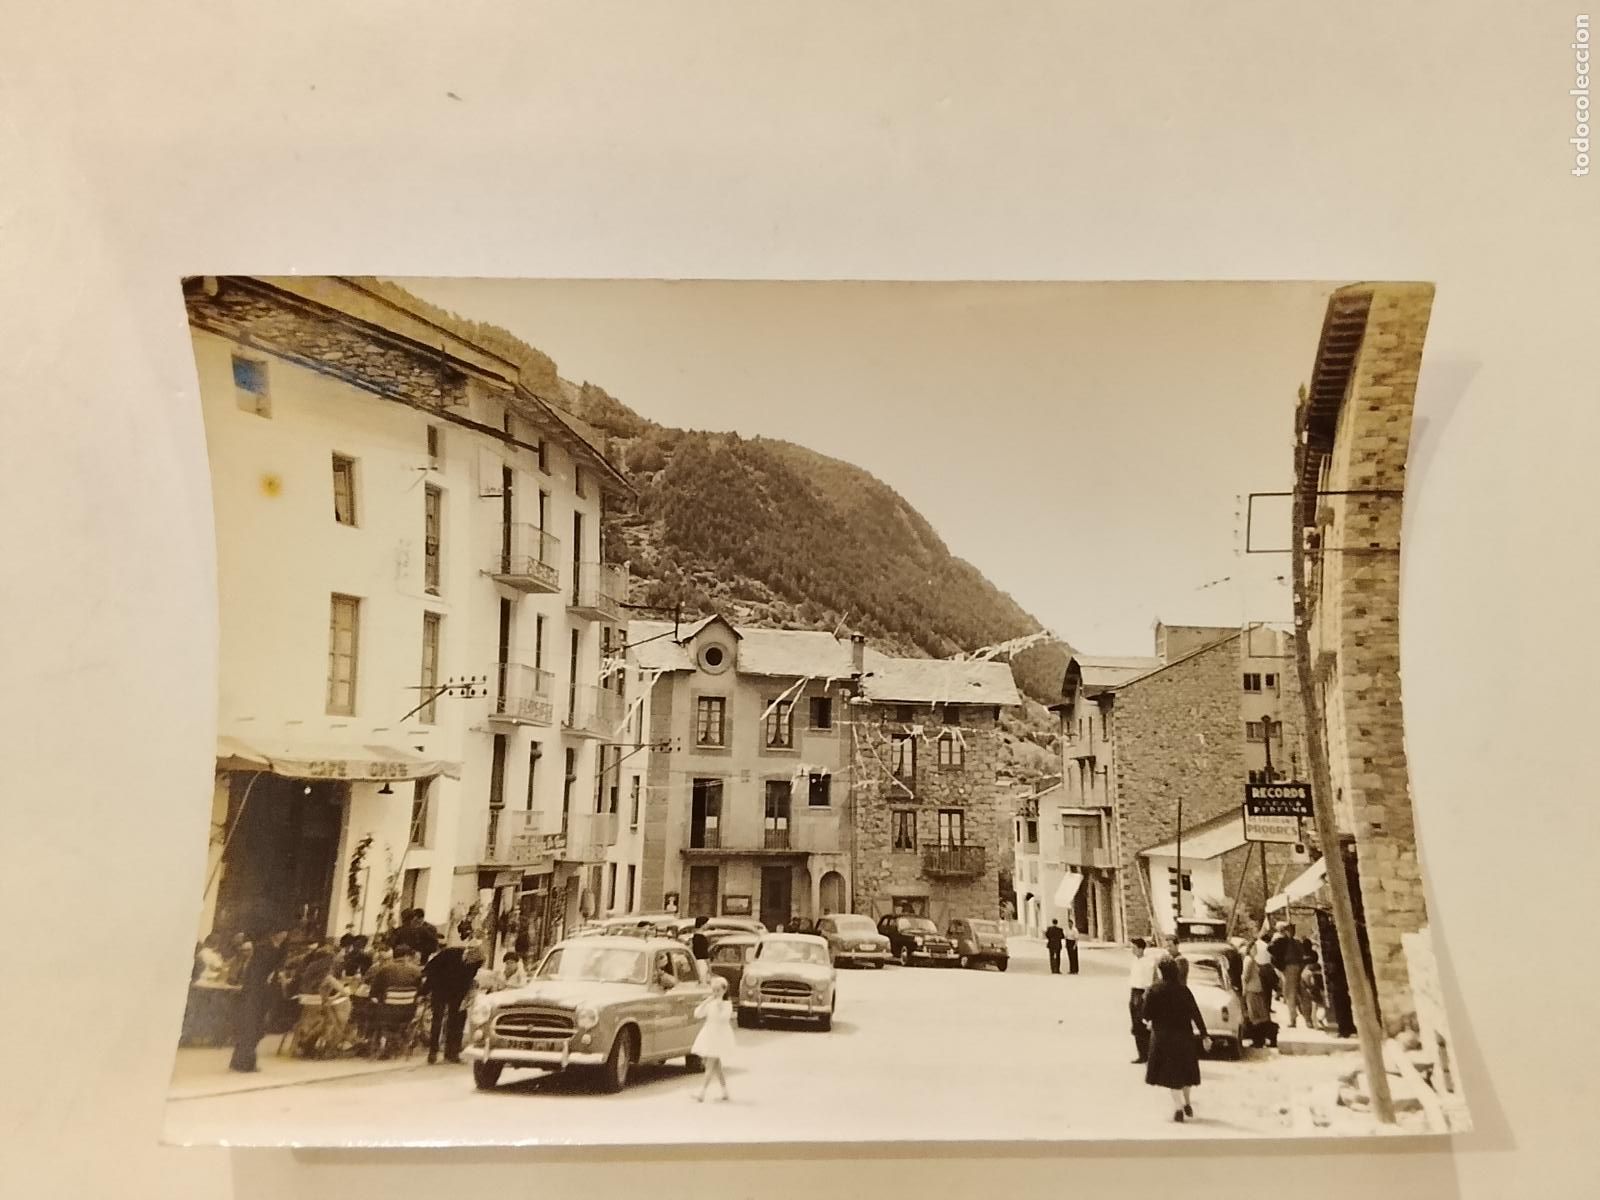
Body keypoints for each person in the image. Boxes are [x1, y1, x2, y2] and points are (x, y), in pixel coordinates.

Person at [1143, 956, 1209, 1122]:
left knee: (1171, 1074)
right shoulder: (1183, 990)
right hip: (1184, 1036)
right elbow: (1195, 1013)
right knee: (1186, 1072)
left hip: (1163, 1038)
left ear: (1161, 971)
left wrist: (1149, 1021)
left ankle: (1178, 1108)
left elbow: (1146, 1015)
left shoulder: (1154, 990)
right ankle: (1187, 1102)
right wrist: (1204, 1034)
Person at [229, 927, 289, 1073]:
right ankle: (244, 1063)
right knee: (252, 1028)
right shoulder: (264, 948)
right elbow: (256, 973)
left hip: (264, 994)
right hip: (255, 994)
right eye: (283, 932)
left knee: (256, 1029)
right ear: (276, 932)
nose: (285, 935)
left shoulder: (278, 949)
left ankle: (241, 1061)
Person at [420, 922, 477, 1064]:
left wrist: (425, 990)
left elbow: (429, 970)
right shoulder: (461, 956)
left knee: (439, 1020)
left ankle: (436, 1053)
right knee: (454, 1020)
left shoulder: (451, 953)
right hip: (450, 990)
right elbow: (470, 979)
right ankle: (451, 1053)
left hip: (444, 990)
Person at [690, 976, 736, 1102]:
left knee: (710, 1065)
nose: (716, 993)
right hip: (709, 1034)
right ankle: (725, 1091)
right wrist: (706, 1001)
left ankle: (702, 1093)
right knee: (716, 1065)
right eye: (714, 990)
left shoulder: (727, 1004)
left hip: (719, 1036)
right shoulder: (711, 1003)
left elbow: (724, 1018)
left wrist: (720, 1006)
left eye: (718, 990)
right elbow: (697, 1014)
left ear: (724, 990)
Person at [1270, 922, 1307, 1028]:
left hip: (1289, 968)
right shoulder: (1296, 942)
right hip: (1298, 967)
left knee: (1289, 994)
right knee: (1298, 993)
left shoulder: (1283, 941)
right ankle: (1305, 1017)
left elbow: (1272, 950)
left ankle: (1293, 1019)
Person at [1127, 937, 1156, 1064]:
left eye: (1134, 948)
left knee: (1143, 1024)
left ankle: (1150, 1054)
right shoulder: (1134, 961)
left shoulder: (1148, 962)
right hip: (1134, 992)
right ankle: (1141, 1054)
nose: (1132, 950)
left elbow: (1149, 982)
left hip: (1142, 993)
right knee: (1135, 1025)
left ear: (1140, 949)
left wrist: (1146, 995)